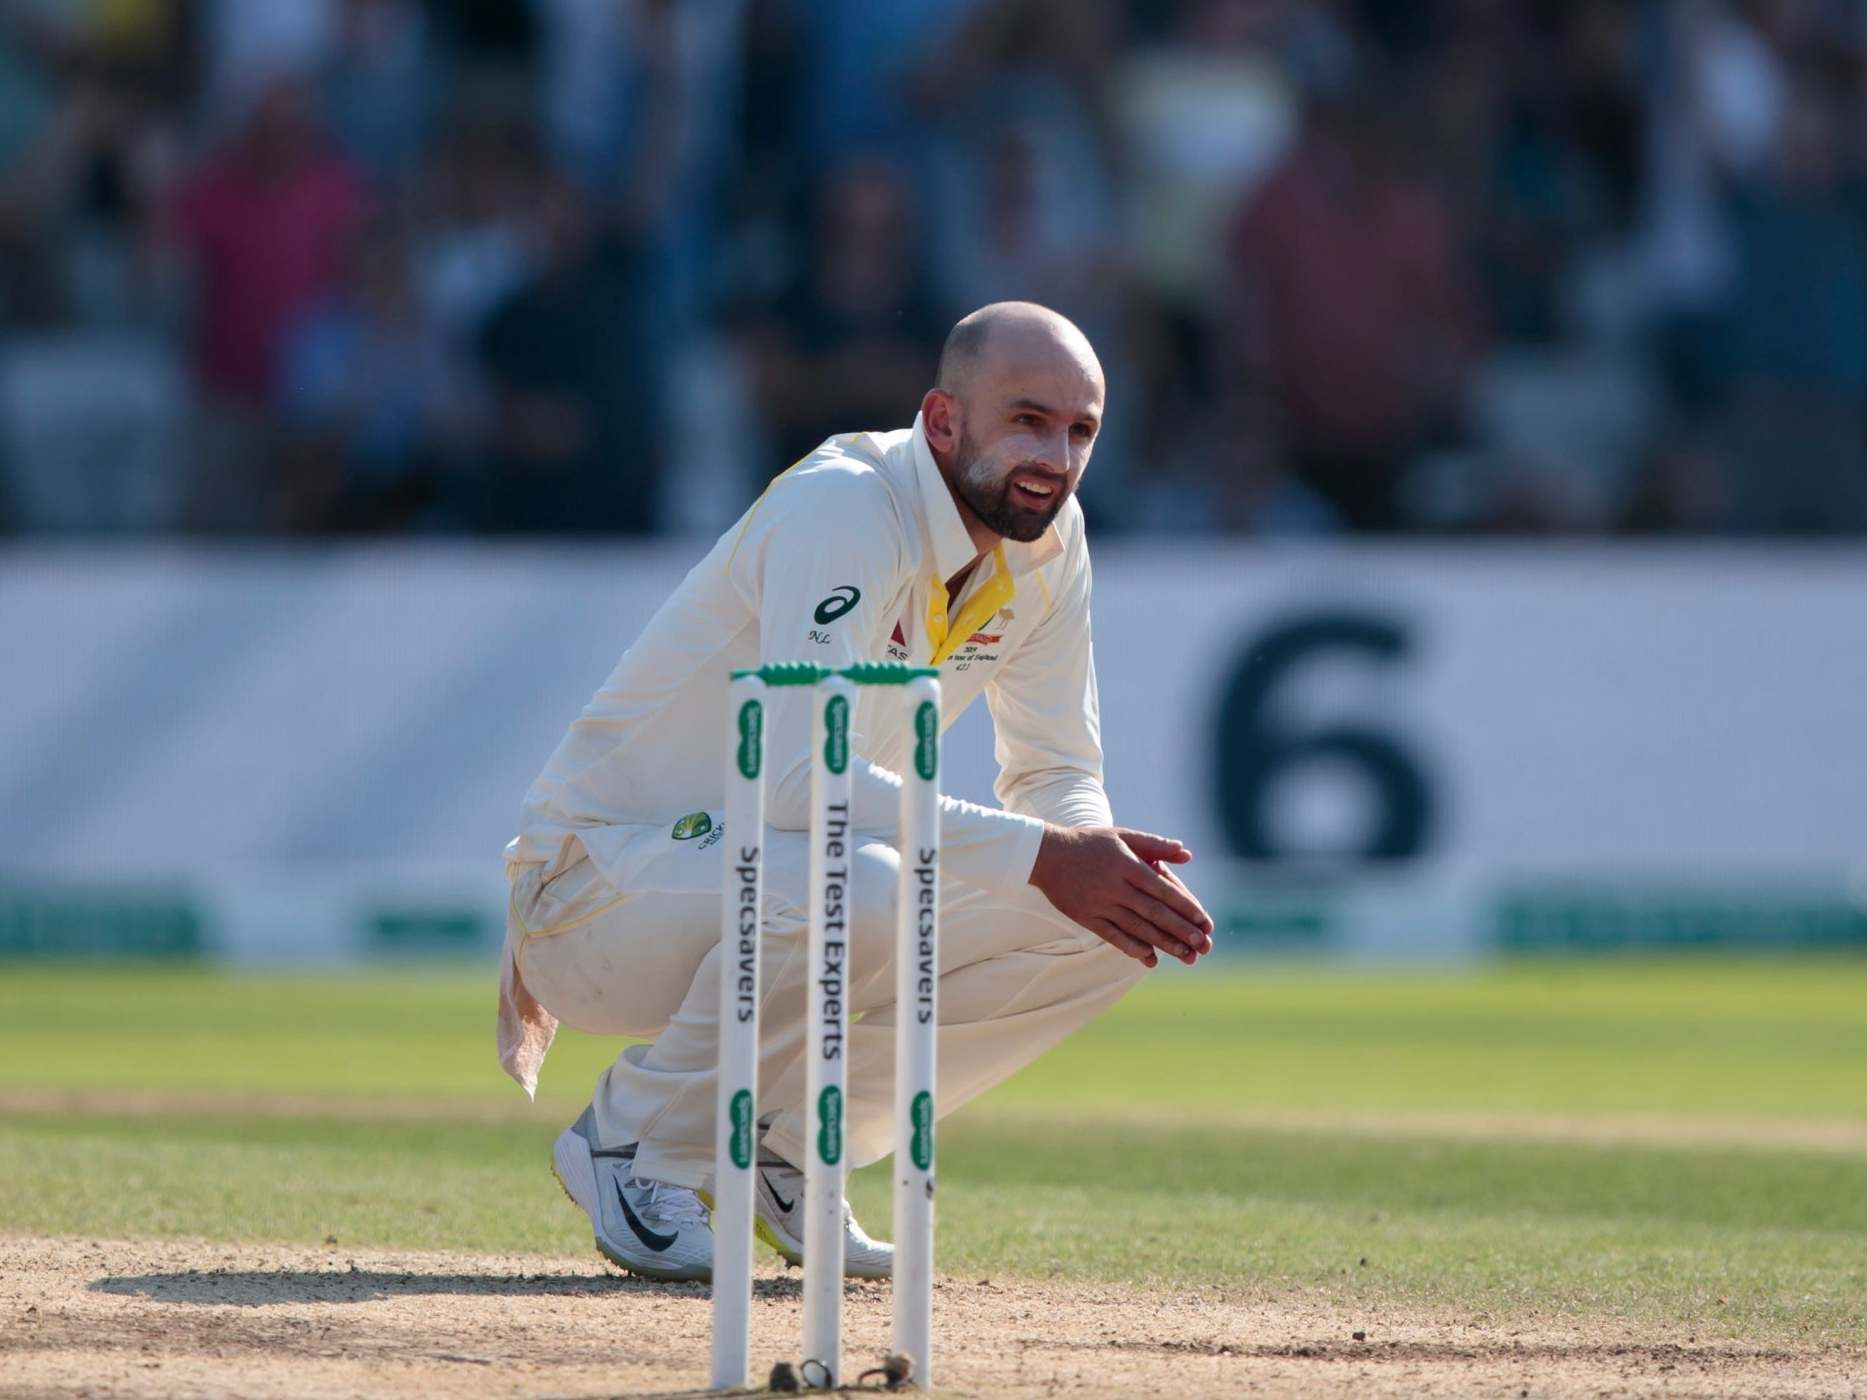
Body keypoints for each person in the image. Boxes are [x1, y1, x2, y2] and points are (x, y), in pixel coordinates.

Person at [497, 302, 1216, 1281]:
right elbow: (799, 778)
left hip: (779, 880)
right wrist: (1047, 855)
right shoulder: (844, 505)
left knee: (1105, 923)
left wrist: (1090, 852)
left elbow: (1054, 769)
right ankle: (632, 1144)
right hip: (600, 887)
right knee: (861, 883)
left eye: (1078, 428)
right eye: (1027, 419)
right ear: (941, 420)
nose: (1054, 453)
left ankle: (788, 1143)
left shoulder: (1049, 540)